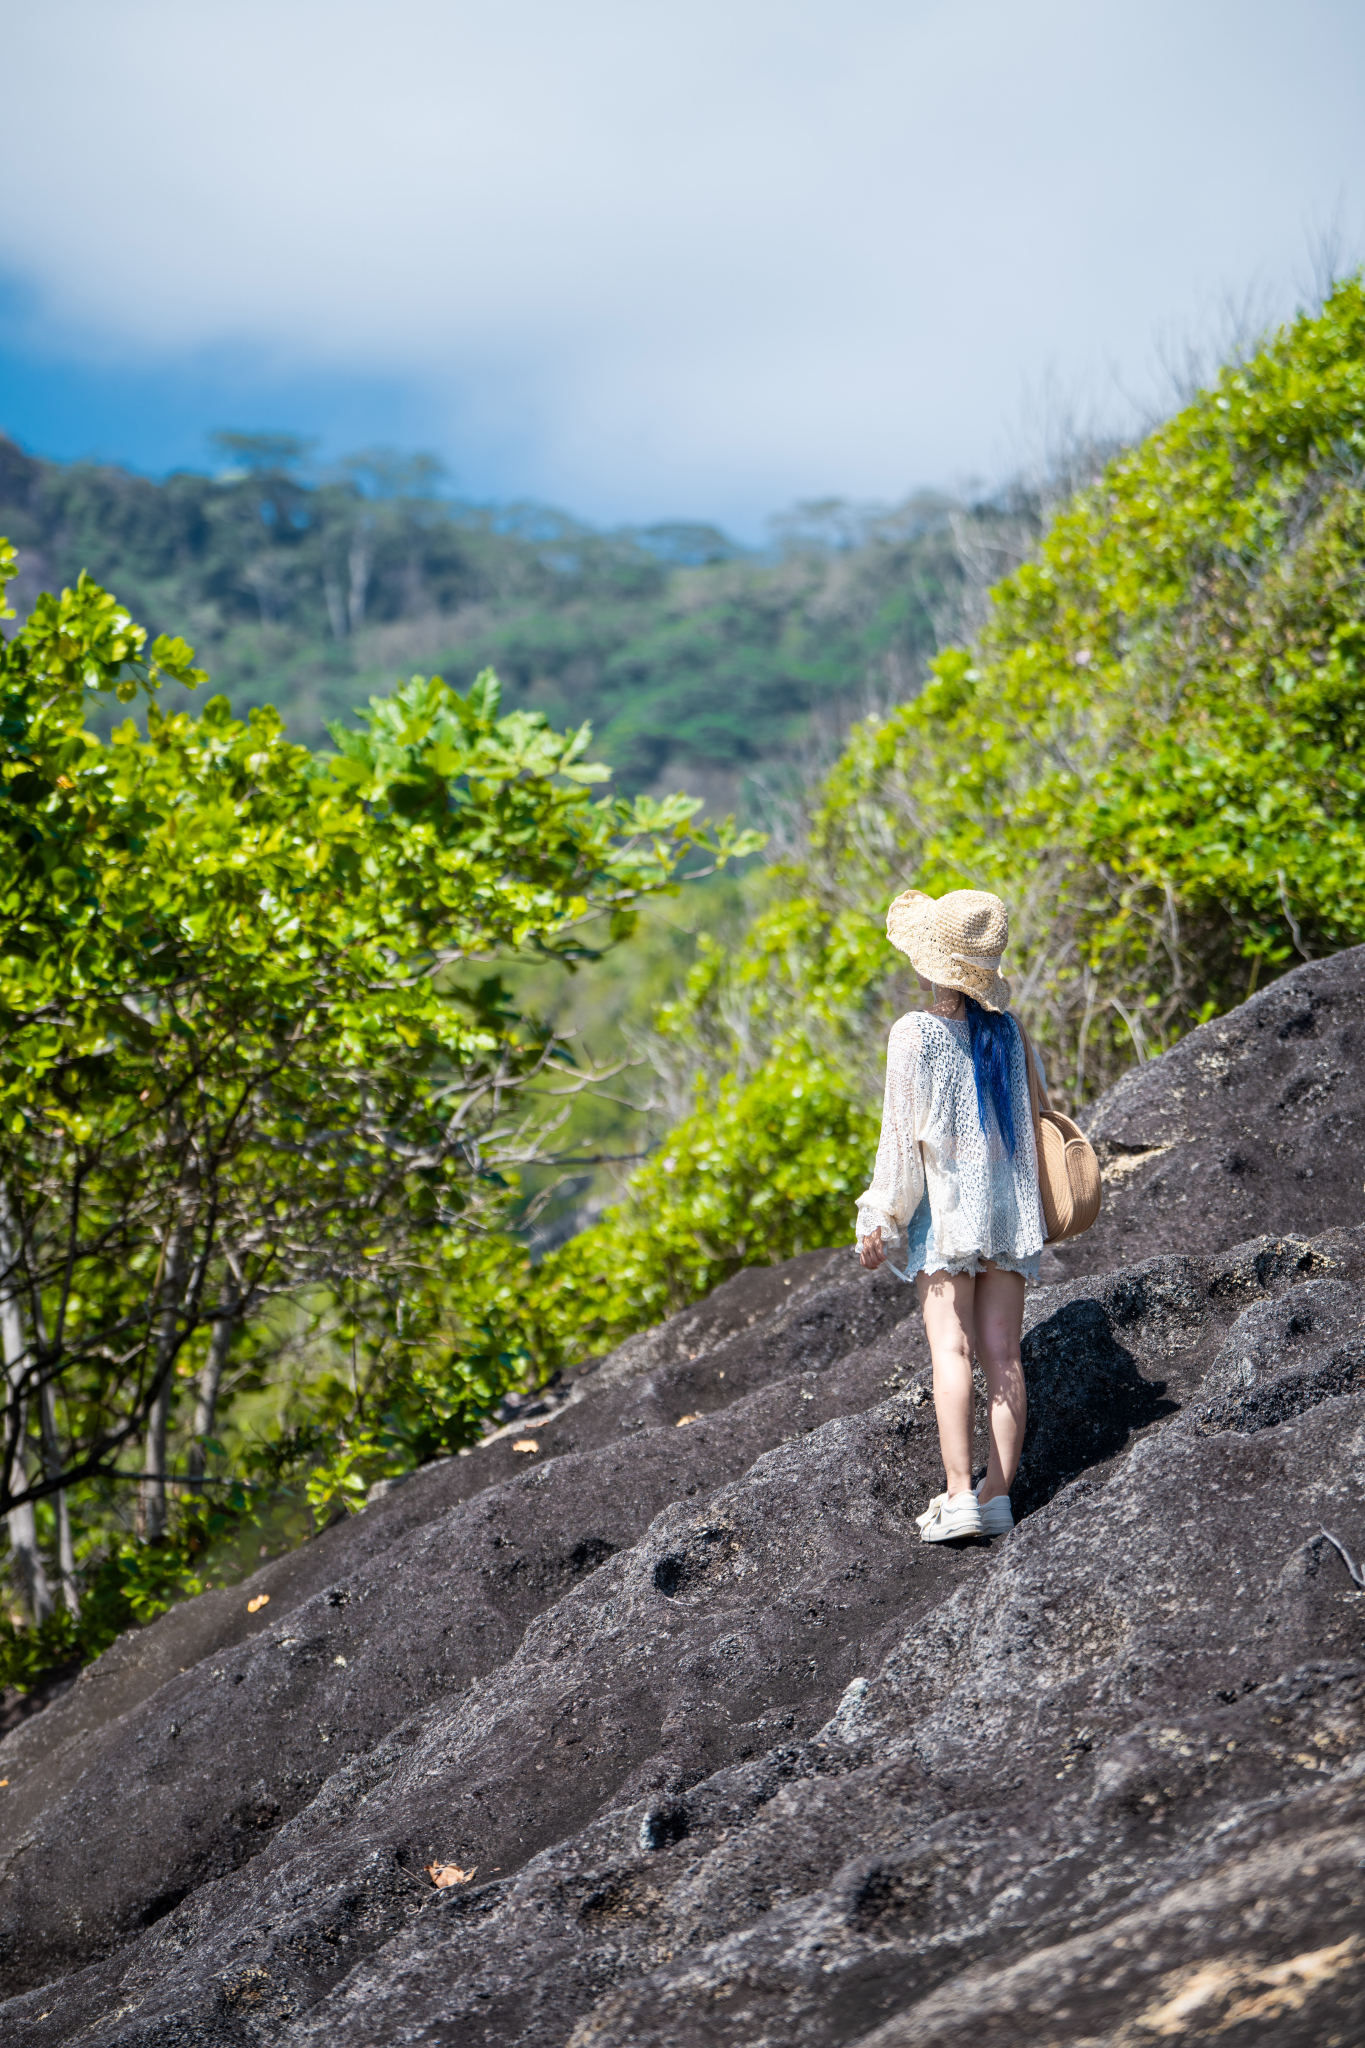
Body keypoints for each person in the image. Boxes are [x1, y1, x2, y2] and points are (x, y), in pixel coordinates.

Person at [855, 887, 1046, 1543]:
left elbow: (902, 1147)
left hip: (947, 1217)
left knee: (951, 1352)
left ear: (926, 963)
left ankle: (959, 1495)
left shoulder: (914, 1034)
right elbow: (1031, 1120)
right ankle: (997, 1497)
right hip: (1008, 1215)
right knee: (1003, 1357)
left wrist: (879, 1220)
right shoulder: (1009, 1032)